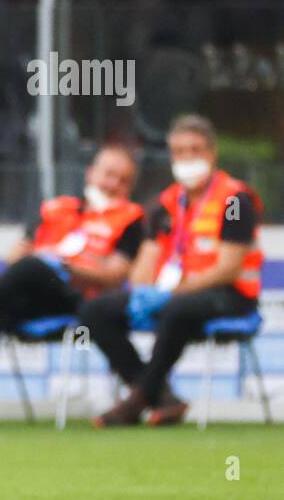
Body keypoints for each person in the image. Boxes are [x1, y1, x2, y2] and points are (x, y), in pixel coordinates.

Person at [0, 145, 146, 426]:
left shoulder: (131, 218)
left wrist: (62, 265)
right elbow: (15, 257)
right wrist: (39, 261)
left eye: (123, 180)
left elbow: (114, 277)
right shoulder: (55, 208)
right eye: (108, 174)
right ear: (90, 173)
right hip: (36, 290)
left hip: (81, 295)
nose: (113, 184)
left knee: (37, 265)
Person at [82, 115, 264, 427]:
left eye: (195, 150)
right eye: (179, 152)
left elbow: (228, 269)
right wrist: (155, 246)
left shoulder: (235, 200)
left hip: (230, 296)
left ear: (212, 153)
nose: (187, 158)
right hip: (174, 295)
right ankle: (161, 397)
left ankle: (136, 400)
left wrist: (171, 293)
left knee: (177, 308)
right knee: (96, 310)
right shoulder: (165, 204)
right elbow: (140, 277)